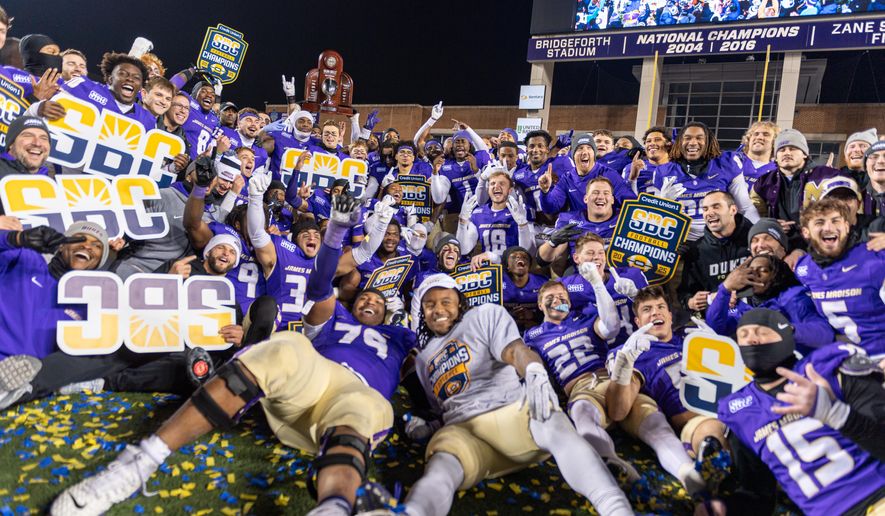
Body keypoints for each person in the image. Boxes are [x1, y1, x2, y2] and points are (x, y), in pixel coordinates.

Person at [52, 194, 417, 516]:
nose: (369, 300)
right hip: (309, 373)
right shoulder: (335, 314)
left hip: (361, 392)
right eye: (365, 297)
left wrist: (424, 422)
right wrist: (336, 230)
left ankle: (334, 505)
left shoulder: (403, 336)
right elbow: (320, 285)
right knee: (285, 347)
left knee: (360, 412)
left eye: (376, 301)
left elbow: (426, 375)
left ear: (390, 313)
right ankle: (134, 467)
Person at [364, 274, 632, 516]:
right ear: (422, 312)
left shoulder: (484, 315)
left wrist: (533, 370)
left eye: (446, 301)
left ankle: (614, 506)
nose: (438, 310)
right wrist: (430, 426)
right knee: (440, 466)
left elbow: (515, 351)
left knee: (549, 417)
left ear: (460, 303)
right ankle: (411, 512)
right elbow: (445, 406)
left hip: (513, 415)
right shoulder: (423, 361)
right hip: (466, 433)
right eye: (430, 305)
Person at [710, 309, 885, 515]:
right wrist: (726, 508)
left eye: (761, 332)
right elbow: (758, 495)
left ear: (784, 335)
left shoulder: (830, 368)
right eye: (744, 335)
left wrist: (836, 413)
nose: (752, 340)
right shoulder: (739, 411)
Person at [606, 287, 727, 461]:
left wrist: (722, 349)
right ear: (638, 322)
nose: (655, 313)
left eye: (660, 307)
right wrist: (624, 364)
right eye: (647, 310)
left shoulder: (693, 335)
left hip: (734, 403)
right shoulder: (633, 352)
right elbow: (618, 411)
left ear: (670, 316)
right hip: (699, 421)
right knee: (711, 436)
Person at [793, 198, 885, 357]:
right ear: (806, 232)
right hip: (842, 360)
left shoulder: (875, 259)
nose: (829, 227)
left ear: (847, 227)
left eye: (836, 221)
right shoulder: (803, 269)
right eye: (820, 222)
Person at [651, 121, 759, 241]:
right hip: (679, 239)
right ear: (679, 143)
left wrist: (759, 234)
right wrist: (663, 203)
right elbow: (654, 218)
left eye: (699, 138)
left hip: (719, 238)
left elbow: (745, 207)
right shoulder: (663, 172)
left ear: (708, 142)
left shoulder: (726, 164)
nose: (692, 142)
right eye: (687, 138)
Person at [705, 254, 834, 353]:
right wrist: (725, 288)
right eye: (751, 270)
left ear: (777, 274)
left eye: (763, 270)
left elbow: (825, 335)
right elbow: (716, 328)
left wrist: (786, 330)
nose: (755, 274)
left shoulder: (793, 298)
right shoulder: (743, 303)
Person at [751, 129, 844, 250]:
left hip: (817, 245)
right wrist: (771, 225)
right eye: (782, 150)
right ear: (776, 157)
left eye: (793, 148)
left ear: (805, 154)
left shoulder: (824, 177)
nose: (787, 153)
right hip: (781, 244)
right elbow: (754, 212)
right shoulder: (764, 182)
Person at [560, 233, 648, 342]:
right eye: (590, 253)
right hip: (599, 349)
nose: (597, 257)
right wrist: (570, 311)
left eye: (601, 253)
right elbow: (553, 309)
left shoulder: (630, 275)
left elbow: (654, 307)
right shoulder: (566, 286)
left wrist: (636, 295)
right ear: (576, 258)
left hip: (639, 342)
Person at [679, 190, 753, 313]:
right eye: (705, 209)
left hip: (755, 314)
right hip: (717, 319)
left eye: (716, 207)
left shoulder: (755, 238)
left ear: (733, 210)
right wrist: (691, 302)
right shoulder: (697, 250)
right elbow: (685, 293)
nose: (709, 213)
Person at [539, 132, 635, 214]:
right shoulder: (567, 179)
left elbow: (630, 202)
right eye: (580, 148)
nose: (585, 152)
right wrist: (545, 191)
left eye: (589, 148)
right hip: (581, 229)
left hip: (606, 228)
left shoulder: (610, 174)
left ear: (594, 154)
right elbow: (551, 208)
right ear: (573, 155)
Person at [538, 176, 619, 264]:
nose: (600, 197)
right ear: (586, 199)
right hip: (582, 273)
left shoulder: (625, 219)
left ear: (612, 200)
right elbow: (543, 260)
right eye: (595, 193)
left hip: (618, 274)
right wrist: (552, 243)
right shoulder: (570, 221)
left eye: (606, 193)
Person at [457, 169, 533, 256]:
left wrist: (523, 225)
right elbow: (463, 249)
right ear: (488, 189)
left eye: (502, 183)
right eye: (492, 183)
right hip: (488, 267)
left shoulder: (520, 212)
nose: (496, 187)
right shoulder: (478, 213)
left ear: (510, 190)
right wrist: (462, 222)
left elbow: (528, 252)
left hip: (511, 266)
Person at [510, 129, 573, 223]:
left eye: (540, 146)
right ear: (526, 150)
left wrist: (557, 148)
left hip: (557, 225)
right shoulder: (519, 175)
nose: (535, 150)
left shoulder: (561, 163)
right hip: (533, 226)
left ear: (547, 149)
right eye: (532, 146)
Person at [0, 115, 51, 182]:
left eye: (43, 138)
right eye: (28, 136)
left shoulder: (51, 183)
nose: (37, 143)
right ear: (11, 144)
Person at [731, 121, 778, 192]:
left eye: (766, 134)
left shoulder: (777, 172)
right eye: (756, 134)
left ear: (774, 142)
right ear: (748, 139)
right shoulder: (732, 160)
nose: (759, 137)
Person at [626, 126, 672, 193]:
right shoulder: (632, 167)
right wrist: (632, 179)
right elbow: (624, 198)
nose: (652, 143)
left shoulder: (679, 169)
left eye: (657, 140)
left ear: (669, 144)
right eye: (648, 141)